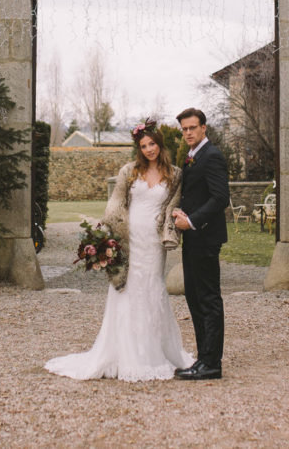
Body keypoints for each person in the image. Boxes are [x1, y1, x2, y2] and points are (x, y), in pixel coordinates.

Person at [44, 119, 194, 381]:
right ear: (139, 148)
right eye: (144, 145)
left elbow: (173, 206)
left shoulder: (175, 174)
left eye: (152, 144)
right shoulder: (129, 171)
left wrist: (172, 231)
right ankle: (123, 352)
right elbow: (115, 204)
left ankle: (153, 352)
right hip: (129, 237)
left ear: (160, 145)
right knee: (126, 288)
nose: (149, 149)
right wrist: (105, 237)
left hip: (153, 242)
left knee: (151, 287)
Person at [172, 107, 229, 381]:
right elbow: (195, 194)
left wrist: (192, 221)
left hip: (205, 237)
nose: (188, 133)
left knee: (208, 298)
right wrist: (181, 213)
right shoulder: (192, 157)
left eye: (192, 127)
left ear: (204, 127)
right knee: (194, 298)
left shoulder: (212, 156)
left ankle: (212, 364)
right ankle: (203, 358)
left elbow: (219, 198)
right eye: (184, 129)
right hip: (192, 238)